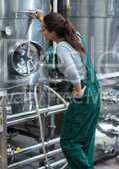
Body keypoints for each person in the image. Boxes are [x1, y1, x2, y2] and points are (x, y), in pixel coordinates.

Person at [33, 10, 101, 169]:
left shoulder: (62, 48)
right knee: (85, 141)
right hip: (95, 91)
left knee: (69, 143)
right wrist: (43, 19)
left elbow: (71, 70)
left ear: (53, 32)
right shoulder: (74, 36)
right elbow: (57, 32)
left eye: (43, 29)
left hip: (83, 95)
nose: (42, 32)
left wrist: (77, 89)